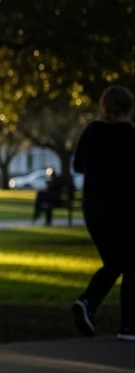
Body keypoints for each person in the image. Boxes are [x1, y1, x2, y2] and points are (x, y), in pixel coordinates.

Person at [71, 85, 135, 341]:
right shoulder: (130, 135)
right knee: (129, 264)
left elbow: (78, 166)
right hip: (123, 210)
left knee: (116, 262)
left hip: (93, 210)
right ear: (128, 108)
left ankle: (89, 304)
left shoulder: (91, 131)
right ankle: (126, 326)